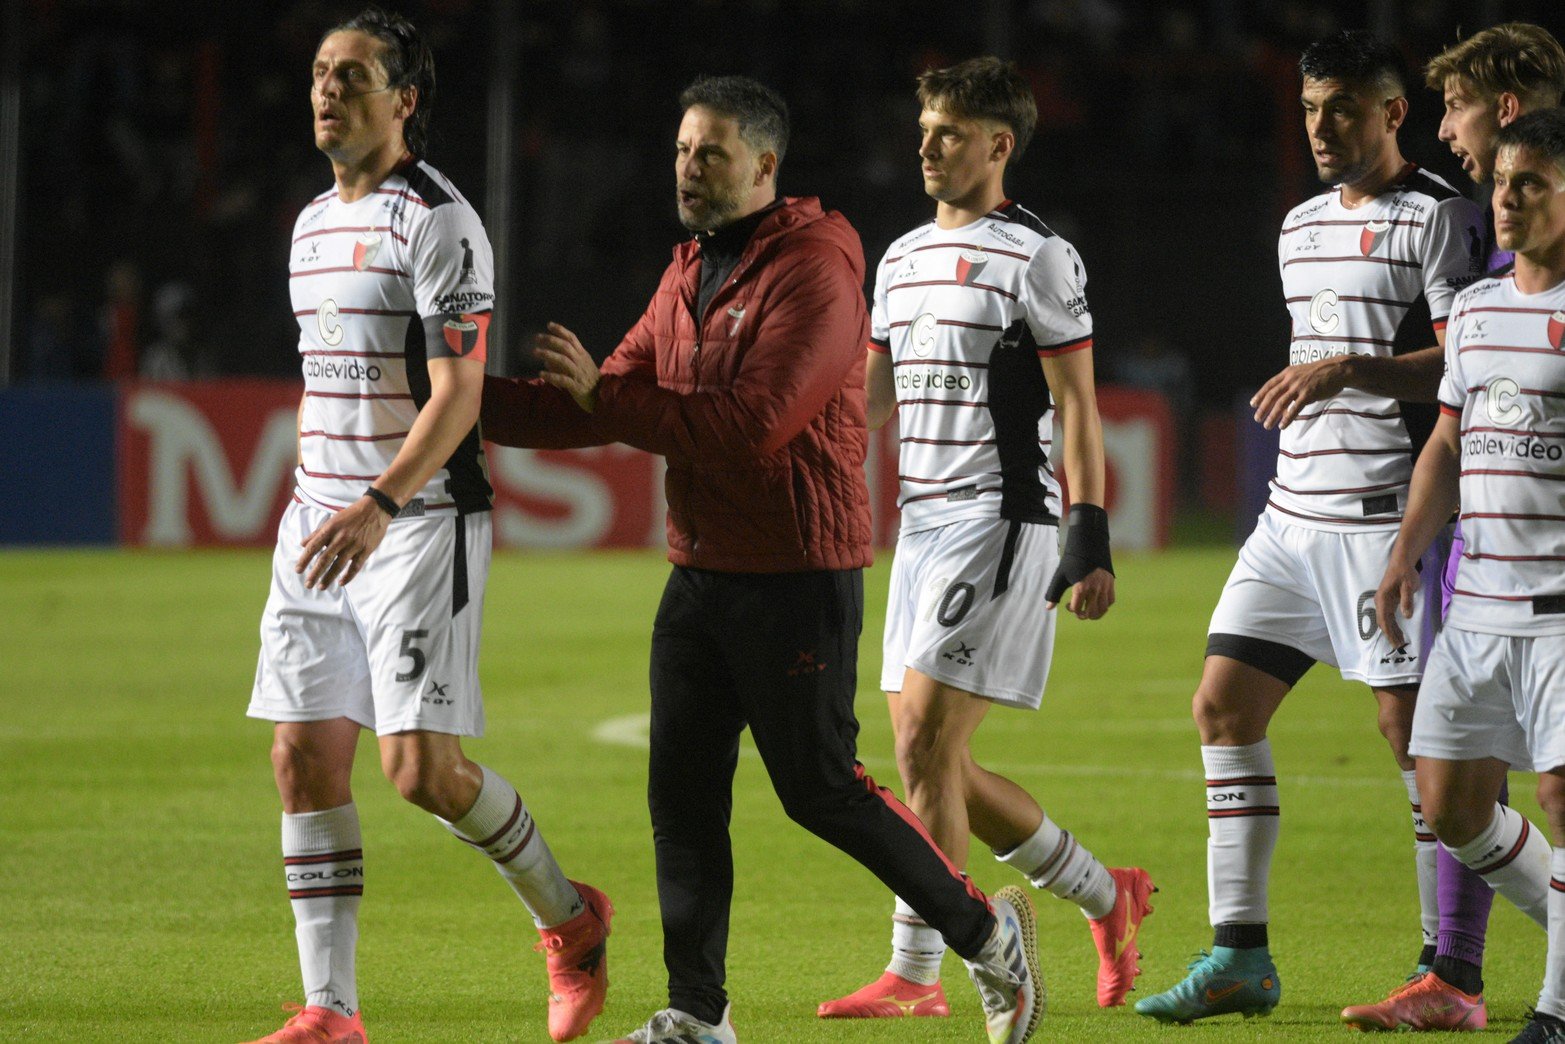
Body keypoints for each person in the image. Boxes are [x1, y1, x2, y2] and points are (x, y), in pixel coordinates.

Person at [481, 75, 1042, 1044]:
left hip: (796, 573)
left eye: (709, 154)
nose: (687, 170)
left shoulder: (816, 269)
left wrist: (603, 404)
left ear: (764, 166)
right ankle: (697, 1015)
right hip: (699, 568)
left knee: (820, 791)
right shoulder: (686, 270)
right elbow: (597, 394)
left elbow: (753, 426)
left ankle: (987, 937)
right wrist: (452, 403)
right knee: (682, 801)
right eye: (680, 151)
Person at [243, 9, 611, 1043]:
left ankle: (571, 921)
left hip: (415, 523)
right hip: (318, 522)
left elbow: (455, 394)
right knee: (302, 759)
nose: (326, 91)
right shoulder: (311, 224)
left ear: (403, 101)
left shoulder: (437, 219)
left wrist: (381, 503)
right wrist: (330, 501)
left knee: (422, 774)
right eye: (319, 72)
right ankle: (332, 1010)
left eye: (352, 76)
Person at [1135, 30, 1485, 1026]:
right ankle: (1237, 953)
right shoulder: (1294, 225)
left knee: (1410, 742)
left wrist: (1345, 370)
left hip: (1380, 518)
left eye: (1342, 107)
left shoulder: (1438, 216)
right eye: (1308, 107)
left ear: (1391, 114)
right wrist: (1318, 376)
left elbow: (1461, 363)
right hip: (1288, 518)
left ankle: (1444, 968)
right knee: (1220, 707)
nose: (1322, 125)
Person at [812, 56, 1153, 1023]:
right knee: (936, 765)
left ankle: (917, 975)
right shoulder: (902, 255)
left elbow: (1076, 403)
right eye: (923, 128)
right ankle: (1103, 893)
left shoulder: (1038, 256)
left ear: (999, 146)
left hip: (1003, 525)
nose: (925, 145)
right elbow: (871, 394)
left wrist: (1089, 531)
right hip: (920, 528)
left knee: (921, 744)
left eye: (948, 132)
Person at [1329, 23, 1565, 1030]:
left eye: (1524, 186)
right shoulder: (1471, 308)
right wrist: (1402, 553)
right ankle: (1492, 960)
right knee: (1449, 803)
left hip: (1555, 605)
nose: (1497, 195)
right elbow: (1444, 444)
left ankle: (1550, 1005)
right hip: (1474, 601)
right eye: (1502, 187)